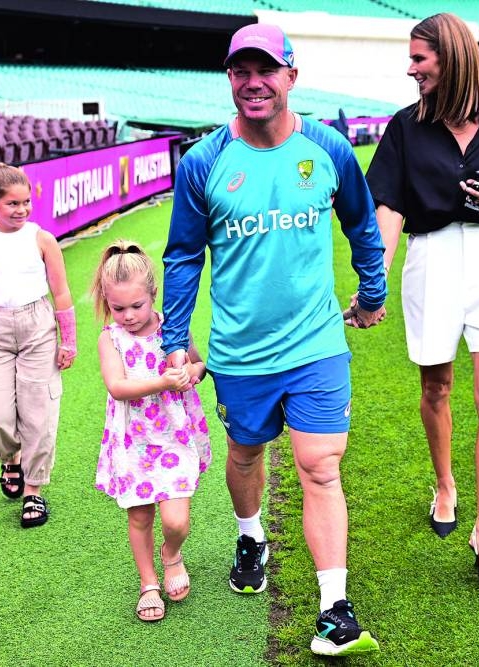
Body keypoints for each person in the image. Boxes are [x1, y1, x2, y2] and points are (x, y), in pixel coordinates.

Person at [162, 23, 385, 656]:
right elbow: (184, 255)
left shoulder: (329, 147)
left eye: (266, 70)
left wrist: (373, 292)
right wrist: (174, 337)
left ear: (291, 75)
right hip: (241, 353)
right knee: (245, 455)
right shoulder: (204, 162)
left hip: (316, 345)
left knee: (321, 467)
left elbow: (362, 224)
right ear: (230, 79)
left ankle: (335, 609)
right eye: (241, 71)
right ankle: (250, 534)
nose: (254, 83)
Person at [365, 12, 479, 588]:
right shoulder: (405, 126)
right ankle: (445, 485)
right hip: (430, 259)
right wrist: (376, 276)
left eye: (419, 59)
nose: (410, 69)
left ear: (452, 57)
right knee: (436, 387)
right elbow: (388, 205)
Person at [91, 239, 211, 623]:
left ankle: (171, 553)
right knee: (140, 516)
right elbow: (117, 386)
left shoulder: (171, 327)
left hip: (173, 436)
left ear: (153, 295)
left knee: (176, 521)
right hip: (133, 439)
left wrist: (191, 372)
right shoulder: (110, 338)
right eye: (118, 308)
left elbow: (199, 364)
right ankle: (148, 583)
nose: (127, 316)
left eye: (136, 306)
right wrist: (163, 381)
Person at [0, 163, 77, 528]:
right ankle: (10, 459)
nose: (22, 209)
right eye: (12, 203)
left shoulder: (42, 239)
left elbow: (61, 292)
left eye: (26, 202)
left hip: (37, 327)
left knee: (38, 412)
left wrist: (68, 340)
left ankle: (33, 490)